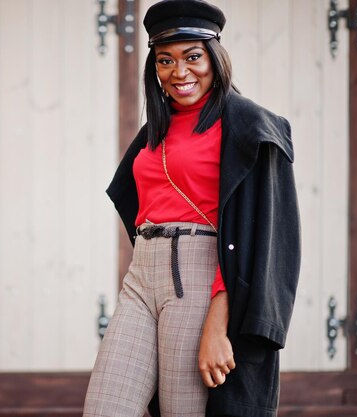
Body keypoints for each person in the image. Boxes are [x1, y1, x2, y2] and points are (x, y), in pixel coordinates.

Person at [83, 0, 301, 416]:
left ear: (215, 58)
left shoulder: (248, 126)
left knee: (183, 410)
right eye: (165, 60)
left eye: (193, 57)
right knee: (105, 407)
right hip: (142, 274)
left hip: (199, 277)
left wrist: (219, 322)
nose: (179, 72)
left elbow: (262, 233)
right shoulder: (157, 129)